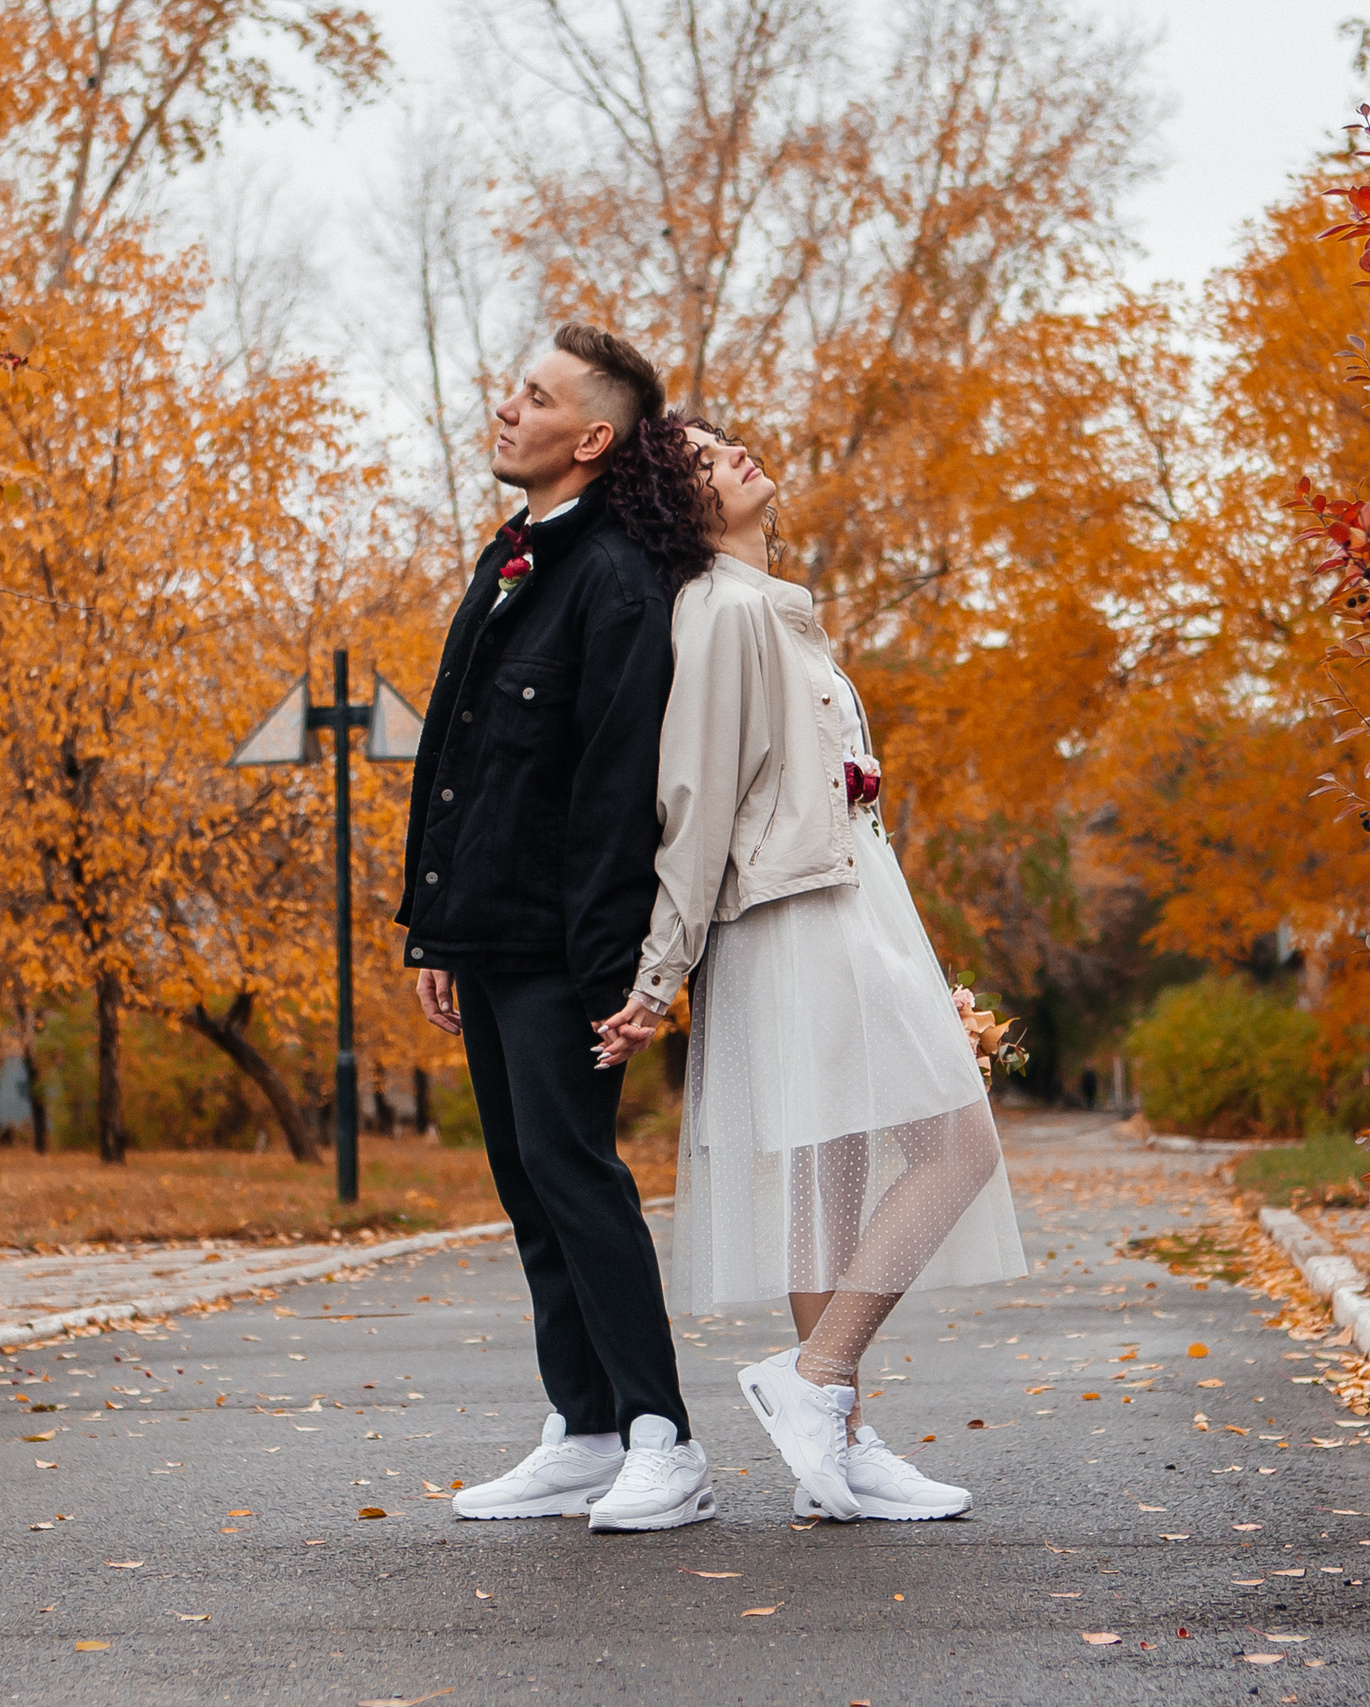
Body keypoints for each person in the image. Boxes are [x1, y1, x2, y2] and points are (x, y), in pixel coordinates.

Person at [595, 419, 1029, 1522]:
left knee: (830, 1172)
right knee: (959, 1142)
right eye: (701, 462)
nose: (733, 455)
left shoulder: (766, 605)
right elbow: (694, 804)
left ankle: (831, 1449)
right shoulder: (725, 611)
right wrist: (658, 976)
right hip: (798, 916)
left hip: (843, 898)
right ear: (678, 507)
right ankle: (819, 1375)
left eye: (724, 442)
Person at [398, 324, 720, 1533]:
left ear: (590, 437)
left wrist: (612, 975)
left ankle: (662, 1439)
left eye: (534, 397)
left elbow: (613, 788)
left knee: (577, 1180)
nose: (507, 408)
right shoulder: (511, 553)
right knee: (530, 1186)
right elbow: (459, 757)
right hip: (488, 931)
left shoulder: (616, 578)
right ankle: (582, 1430)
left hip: (561, 948)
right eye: (513, 390)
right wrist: (435, 929)